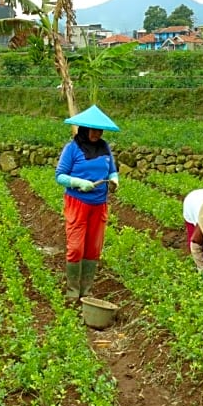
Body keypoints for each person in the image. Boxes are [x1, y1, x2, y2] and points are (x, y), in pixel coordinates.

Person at [55, 105, 119, 299]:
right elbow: (60, 176)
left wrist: (115, 179)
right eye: (93, 130)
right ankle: (73, 291)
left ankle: (86, 290)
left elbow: (112, 170)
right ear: (84, 129)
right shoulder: (72, 149)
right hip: (78, 203)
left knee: (93, 247)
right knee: (76, 247)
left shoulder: (104, 147)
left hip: (99, 204)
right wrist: (79, 182)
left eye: (99, 131)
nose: (97, 134)